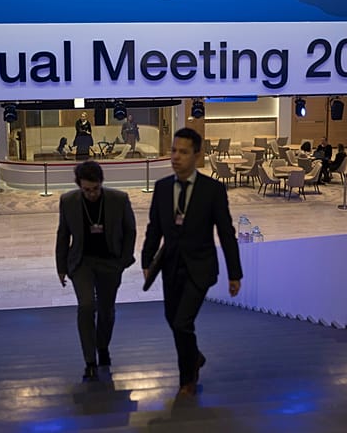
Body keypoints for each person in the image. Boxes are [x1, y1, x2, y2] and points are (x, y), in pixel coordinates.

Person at [141, 127, 242, 397]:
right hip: (170, 267)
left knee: (183, 322)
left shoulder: (213, 190)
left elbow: (226, 232)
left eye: (183, 152)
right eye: (174, 150)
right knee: (172, 319)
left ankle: (187, 379)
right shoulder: (162, 188)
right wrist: (146, 259)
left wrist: (235, 273)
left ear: (197, 156)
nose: (175, 157)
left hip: (200, 268)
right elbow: (154, 228)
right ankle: (194, 356)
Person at [56, 160, 137, 382]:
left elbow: (130, 230)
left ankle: (103, 347)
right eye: (86, 190)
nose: (91, 194)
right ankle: (90, 360)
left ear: (101, 183)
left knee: (106, 310)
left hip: (110, 262)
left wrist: (123, 260)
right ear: (79, 187)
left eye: (95, 189)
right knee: (86, 306)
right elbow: (63, 235)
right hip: (82, 262)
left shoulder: (118, 200)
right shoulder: (68, 201)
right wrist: (61, 267)